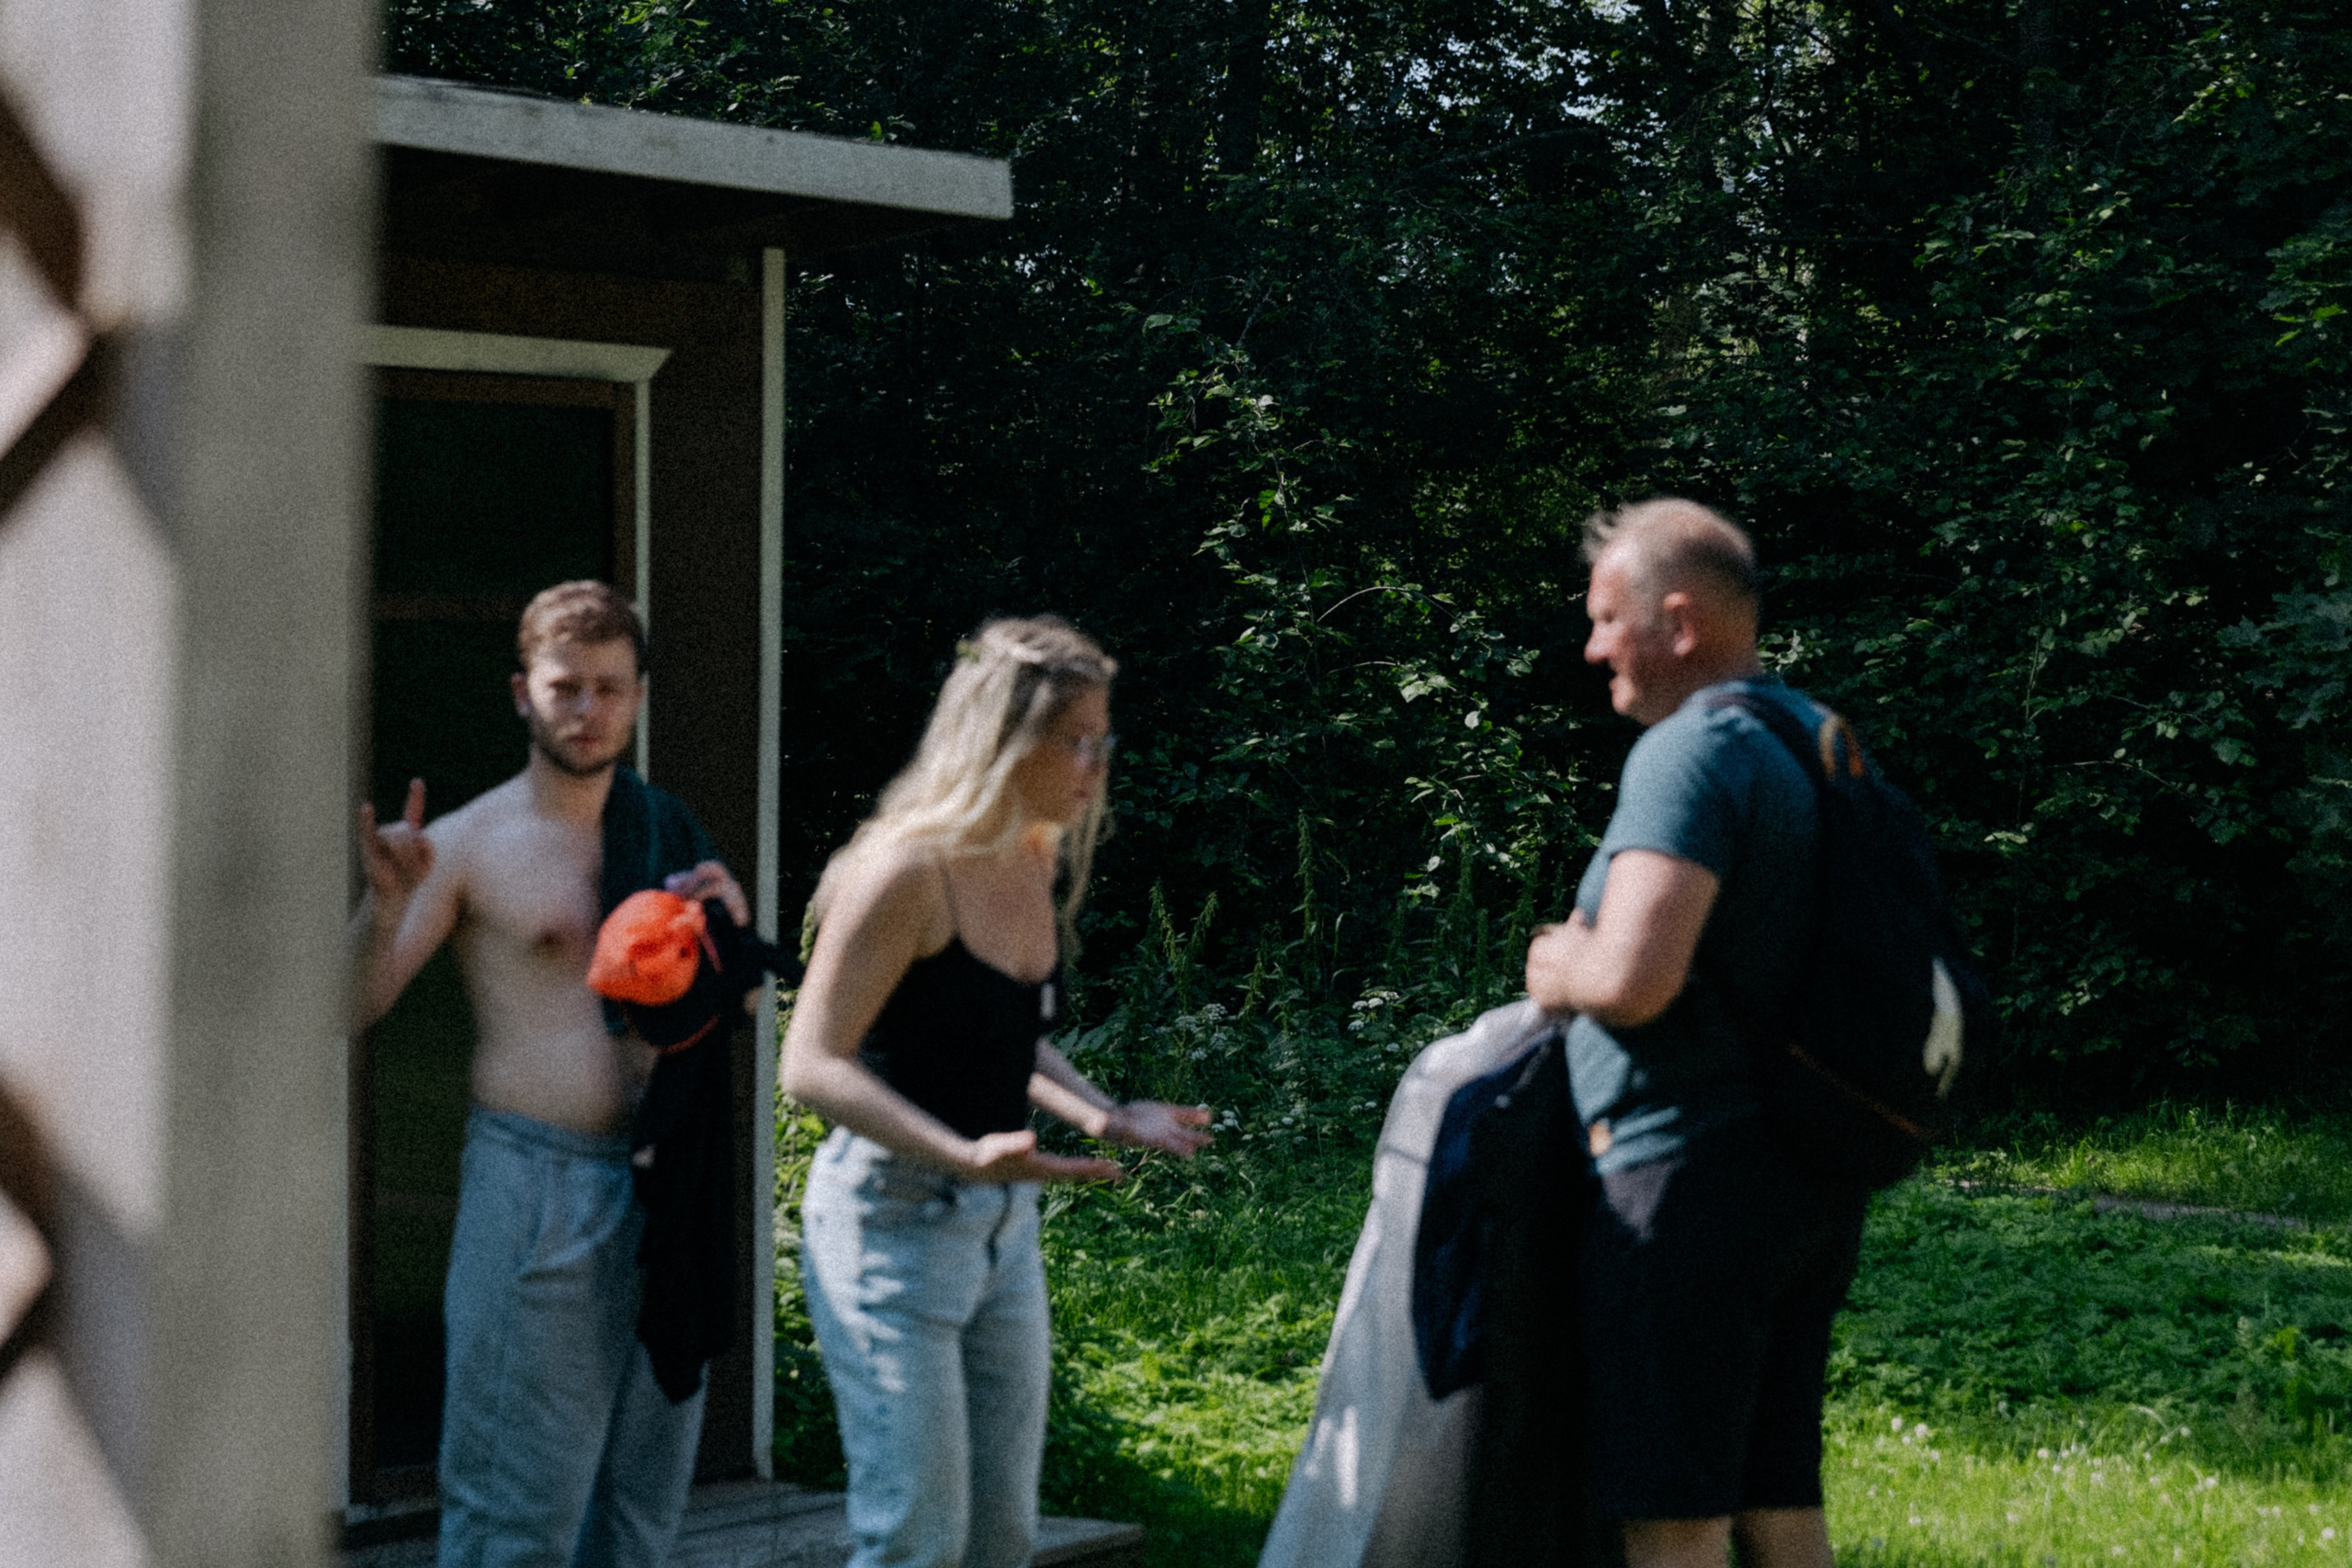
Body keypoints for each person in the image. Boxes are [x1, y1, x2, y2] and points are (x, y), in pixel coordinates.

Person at [781, 615, 1213, 1568]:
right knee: (916, 1541)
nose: (1094, 764)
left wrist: (1105, 1113)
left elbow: (1005, 1038)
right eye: (1076, 741)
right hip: (890, 1226)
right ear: (1006, 741)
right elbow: (811, 1062)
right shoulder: (906, 872)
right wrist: (960, 1153)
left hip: (999, 1231)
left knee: (998, 1539)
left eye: (1103, 739)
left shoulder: (1033, 854)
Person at [351, 581, 748, 1568]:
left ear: (638, 698)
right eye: (566, 687)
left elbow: (730, 1007)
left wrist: (731, 933)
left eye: (610, 689)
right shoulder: (473, 840)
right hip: (538, 1190)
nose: (588, 710)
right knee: (515, 1516)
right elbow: (346, 1009)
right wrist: (386, 906)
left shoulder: (667, 830)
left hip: (669, 1186)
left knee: (639, 1515)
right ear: (522, 693)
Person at [1524, 499, 1867, 1568]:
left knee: (1675, 1513)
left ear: (1678, 622)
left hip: (1684, 1179)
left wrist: (1551, 961)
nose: (1591, 648)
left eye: (1605, 618)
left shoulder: (1692, 752)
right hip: (1803, 1171)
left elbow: (1633, 977)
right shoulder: (1814, 739)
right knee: (1775, 1493)